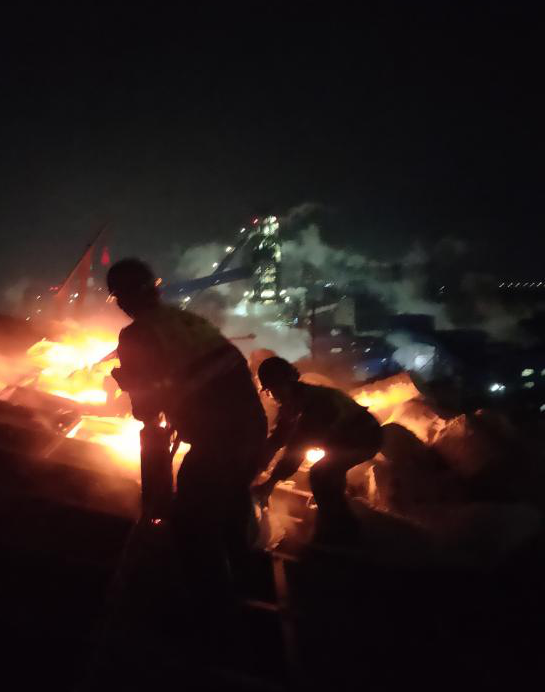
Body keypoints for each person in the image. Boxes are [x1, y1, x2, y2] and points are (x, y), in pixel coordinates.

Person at [106, 258, 268, 607]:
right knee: (232, 514)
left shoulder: (136, 335)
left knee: (190, 525)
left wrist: (127, 383)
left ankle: (209, 611)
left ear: (122, 299)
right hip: (253, 429)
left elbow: (146, 409)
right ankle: (248, 590)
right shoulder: (188, 320)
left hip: (219, 440)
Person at [253, 356, 382, 545]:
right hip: (345, 438)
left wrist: (270, 483)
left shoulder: (315, 402)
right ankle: (335, 526)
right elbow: (279, 437)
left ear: (289, 381)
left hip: (364, 437)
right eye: (270, 391)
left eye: (277, 387)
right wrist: (257, 469)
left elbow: (298, 446)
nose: (275, 394)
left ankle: (344, 532)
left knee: (321, 474)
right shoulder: (293, 403)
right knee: (327, 475)